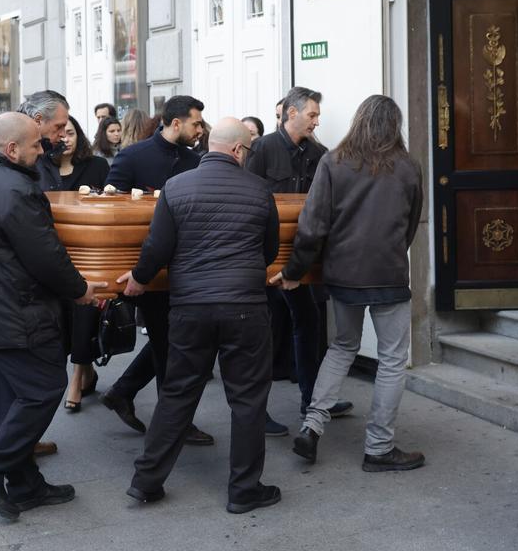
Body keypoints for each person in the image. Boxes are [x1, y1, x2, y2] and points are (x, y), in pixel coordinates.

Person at [0, 112, 106, 521]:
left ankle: (25, 484)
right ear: (12, 149)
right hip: (16, 311)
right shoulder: (15, 188)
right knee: (43, 389)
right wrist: (81, 290)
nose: (42, 152)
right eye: (36, 145)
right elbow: (45, 256)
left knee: (9, 400)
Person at [124, 118, 283, 514]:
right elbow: (268, 252)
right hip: (245, 307)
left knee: (177, 393)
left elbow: (157, 247)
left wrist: (140, 280)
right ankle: (244, 490)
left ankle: (146, 481)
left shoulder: (176, 187)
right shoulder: (261, 190)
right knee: (247, 400)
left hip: (190, 307)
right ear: (238, 151)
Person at [275, 95, 424, 473]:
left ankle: (312, 426)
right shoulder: (407, 167)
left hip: (343, 274)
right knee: (392, 360)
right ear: (395, 125)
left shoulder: (333, 161)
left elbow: (312, 226)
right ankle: (379, 447)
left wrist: (294, 272)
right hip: (388, 274)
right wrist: (391, 252)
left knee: (341, 346)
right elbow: (410, 226)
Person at [100, 96, 214, 446]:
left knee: (173, 343)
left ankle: (124, 392)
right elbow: (111, 208)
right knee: (171, 345)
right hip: (145, 267)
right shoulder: (133, 157)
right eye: (196, 123)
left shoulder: (195, 161)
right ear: (175, 123)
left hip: (187, 266)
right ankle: (173, 423)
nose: (200, 130)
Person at [247, 86, 351, 433]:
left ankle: (314, 400)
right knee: (261, 334)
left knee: (310, 327)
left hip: (303, 259)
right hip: (266, 256)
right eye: (312, 115)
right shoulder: (262, 149)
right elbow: (249, 198)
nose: (316, 121)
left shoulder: (321, 154)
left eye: (317, 116)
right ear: (291, 114)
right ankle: (255, 413)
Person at [50, 116, 111, 414]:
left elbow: (109, 204)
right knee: (63, 315)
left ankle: (76, 377)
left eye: (71, 132)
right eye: (61, 133)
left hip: (89, 253)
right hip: (54, 253)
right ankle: (87, 372)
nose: (66, 139)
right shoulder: (41, 168)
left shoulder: (97, 167)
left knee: (85, 310)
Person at [18, 90, 71, 191]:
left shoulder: (49, 150)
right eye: (59, 126)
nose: (63, 134)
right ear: (38, 120)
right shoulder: (18, 154)